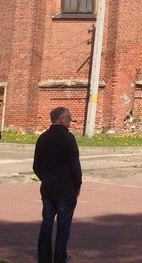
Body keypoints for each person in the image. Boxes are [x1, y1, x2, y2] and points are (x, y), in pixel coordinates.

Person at [33, 106, 82, 263]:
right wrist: (77, 185)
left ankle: (44, 257)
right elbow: (75, 165)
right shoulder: (68, 138)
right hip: (66, 188)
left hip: (47, 187)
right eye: (69, 117)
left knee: (47, 222)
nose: (71, 120)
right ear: (61, 119)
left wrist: (45, 178)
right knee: (63, 225)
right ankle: (60, 258)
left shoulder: (42, 138)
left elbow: (36, 165)